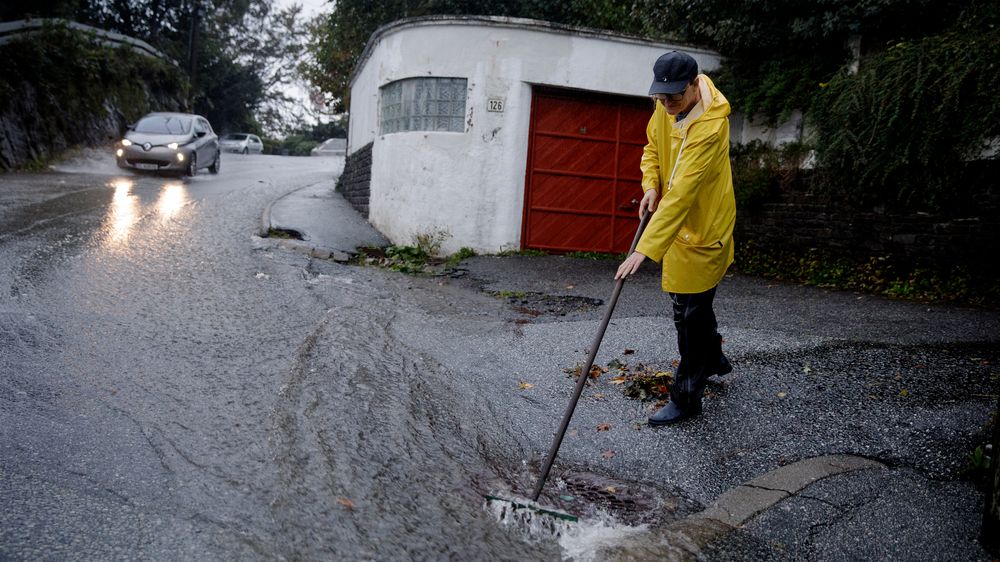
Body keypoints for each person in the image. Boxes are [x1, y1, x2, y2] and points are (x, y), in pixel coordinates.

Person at [615, 50, 737, 426]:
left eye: (673, 97)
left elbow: (683, 192)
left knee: (689, 316)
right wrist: (650, 184)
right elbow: (652, 148)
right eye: (660, 97)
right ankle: (714, 358)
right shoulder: (666, 105)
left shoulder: (711, 126)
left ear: (694, 85)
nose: (666, 105)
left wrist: (644, 249)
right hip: (674, 221)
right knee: (692, 307)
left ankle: (686, 398)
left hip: (703, 228)